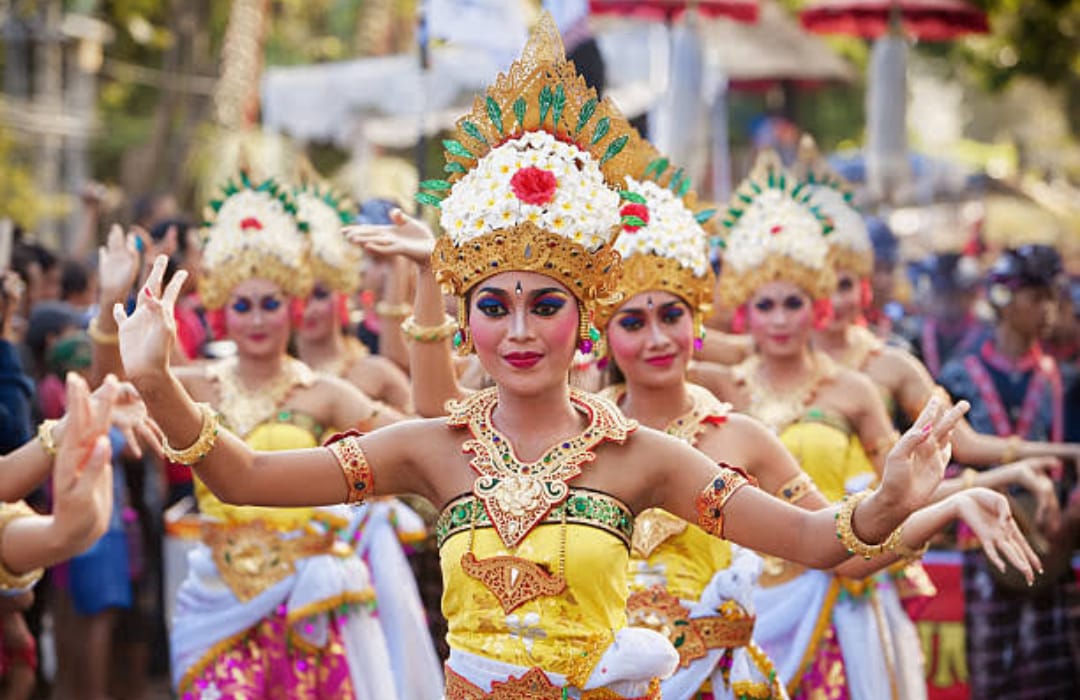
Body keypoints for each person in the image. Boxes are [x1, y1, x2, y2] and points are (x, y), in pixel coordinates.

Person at [113, 17, 1036, 699]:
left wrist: (893, 499)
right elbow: (241, 475)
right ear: (466, 321)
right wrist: (154, 378)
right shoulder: (431, 449)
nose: (519, 330)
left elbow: (811, 541)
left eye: (545, 304)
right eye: (494, 306)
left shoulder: (646, 458)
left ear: (584, 319)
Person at [101, 170, 411, 699]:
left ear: (293, 307)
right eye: (242, 306)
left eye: (270, 303)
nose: (257, 320)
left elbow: (411, 443)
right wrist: (111, 305)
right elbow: (108, 389)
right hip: (214, 594)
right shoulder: (194, 384)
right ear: (223, 314)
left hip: (308, 599)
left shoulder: (326, 393)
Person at [937, 244, 1080, 700]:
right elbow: (945, 460)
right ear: (1004, 299)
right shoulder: (958, 377)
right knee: (992, 674)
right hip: (981, 544)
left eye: (1052, 298)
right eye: (1036, 297)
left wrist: (1065, 515)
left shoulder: (1063, 379)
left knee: (1053, 676)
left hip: (1049, 541)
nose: (1048, 309)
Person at [292, 181, 412, 412]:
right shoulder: (268, 378)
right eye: (298, 297)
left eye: (320, 294)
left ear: (341, 291)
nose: (308, 310)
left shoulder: (376, 372)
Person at [902, 251, 987, 378]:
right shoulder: (913, 334)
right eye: (941, 293)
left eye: (955, 295)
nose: (947, 302)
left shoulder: (986, 336)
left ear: (972, 295)